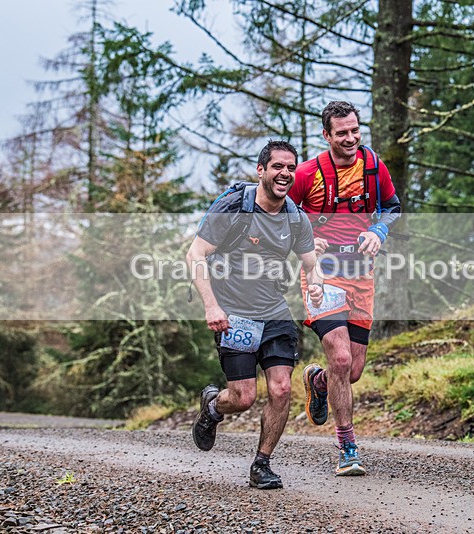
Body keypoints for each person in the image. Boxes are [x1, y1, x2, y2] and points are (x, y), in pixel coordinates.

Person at [187, 140, 324, 490]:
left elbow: (311, 263)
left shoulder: (295, 217)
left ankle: (261, 463)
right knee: (243, 397)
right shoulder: (235, 206)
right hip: (234, 314)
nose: (285, 173)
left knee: (280, 389)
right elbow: (195, 255)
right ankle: (213, 407)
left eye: (291, 167)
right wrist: (211, 305)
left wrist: (317, 286)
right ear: (261, 170)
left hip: (275, 313)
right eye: (278, 166)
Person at [288, 101, 401, 476]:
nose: (351, 138)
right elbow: (279, 215)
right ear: (327, 135)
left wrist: (378, 230)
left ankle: (317, 382)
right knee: (339, 358)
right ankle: (347, 448)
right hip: (322, 273)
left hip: (361, 273)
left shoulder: (373, 166)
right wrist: (305, 241)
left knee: (351, 371)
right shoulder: (308, 174)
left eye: (355, 130)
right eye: (342, 133)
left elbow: (393, 206)